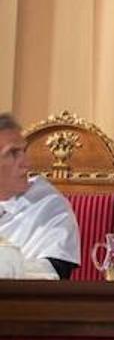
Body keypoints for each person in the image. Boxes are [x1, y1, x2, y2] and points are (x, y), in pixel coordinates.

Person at [0, 113, 80, 279]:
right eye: (13, 153)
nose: (27, 163)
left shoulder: (49, 206)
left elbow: (51, 274)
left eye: (23, 151)